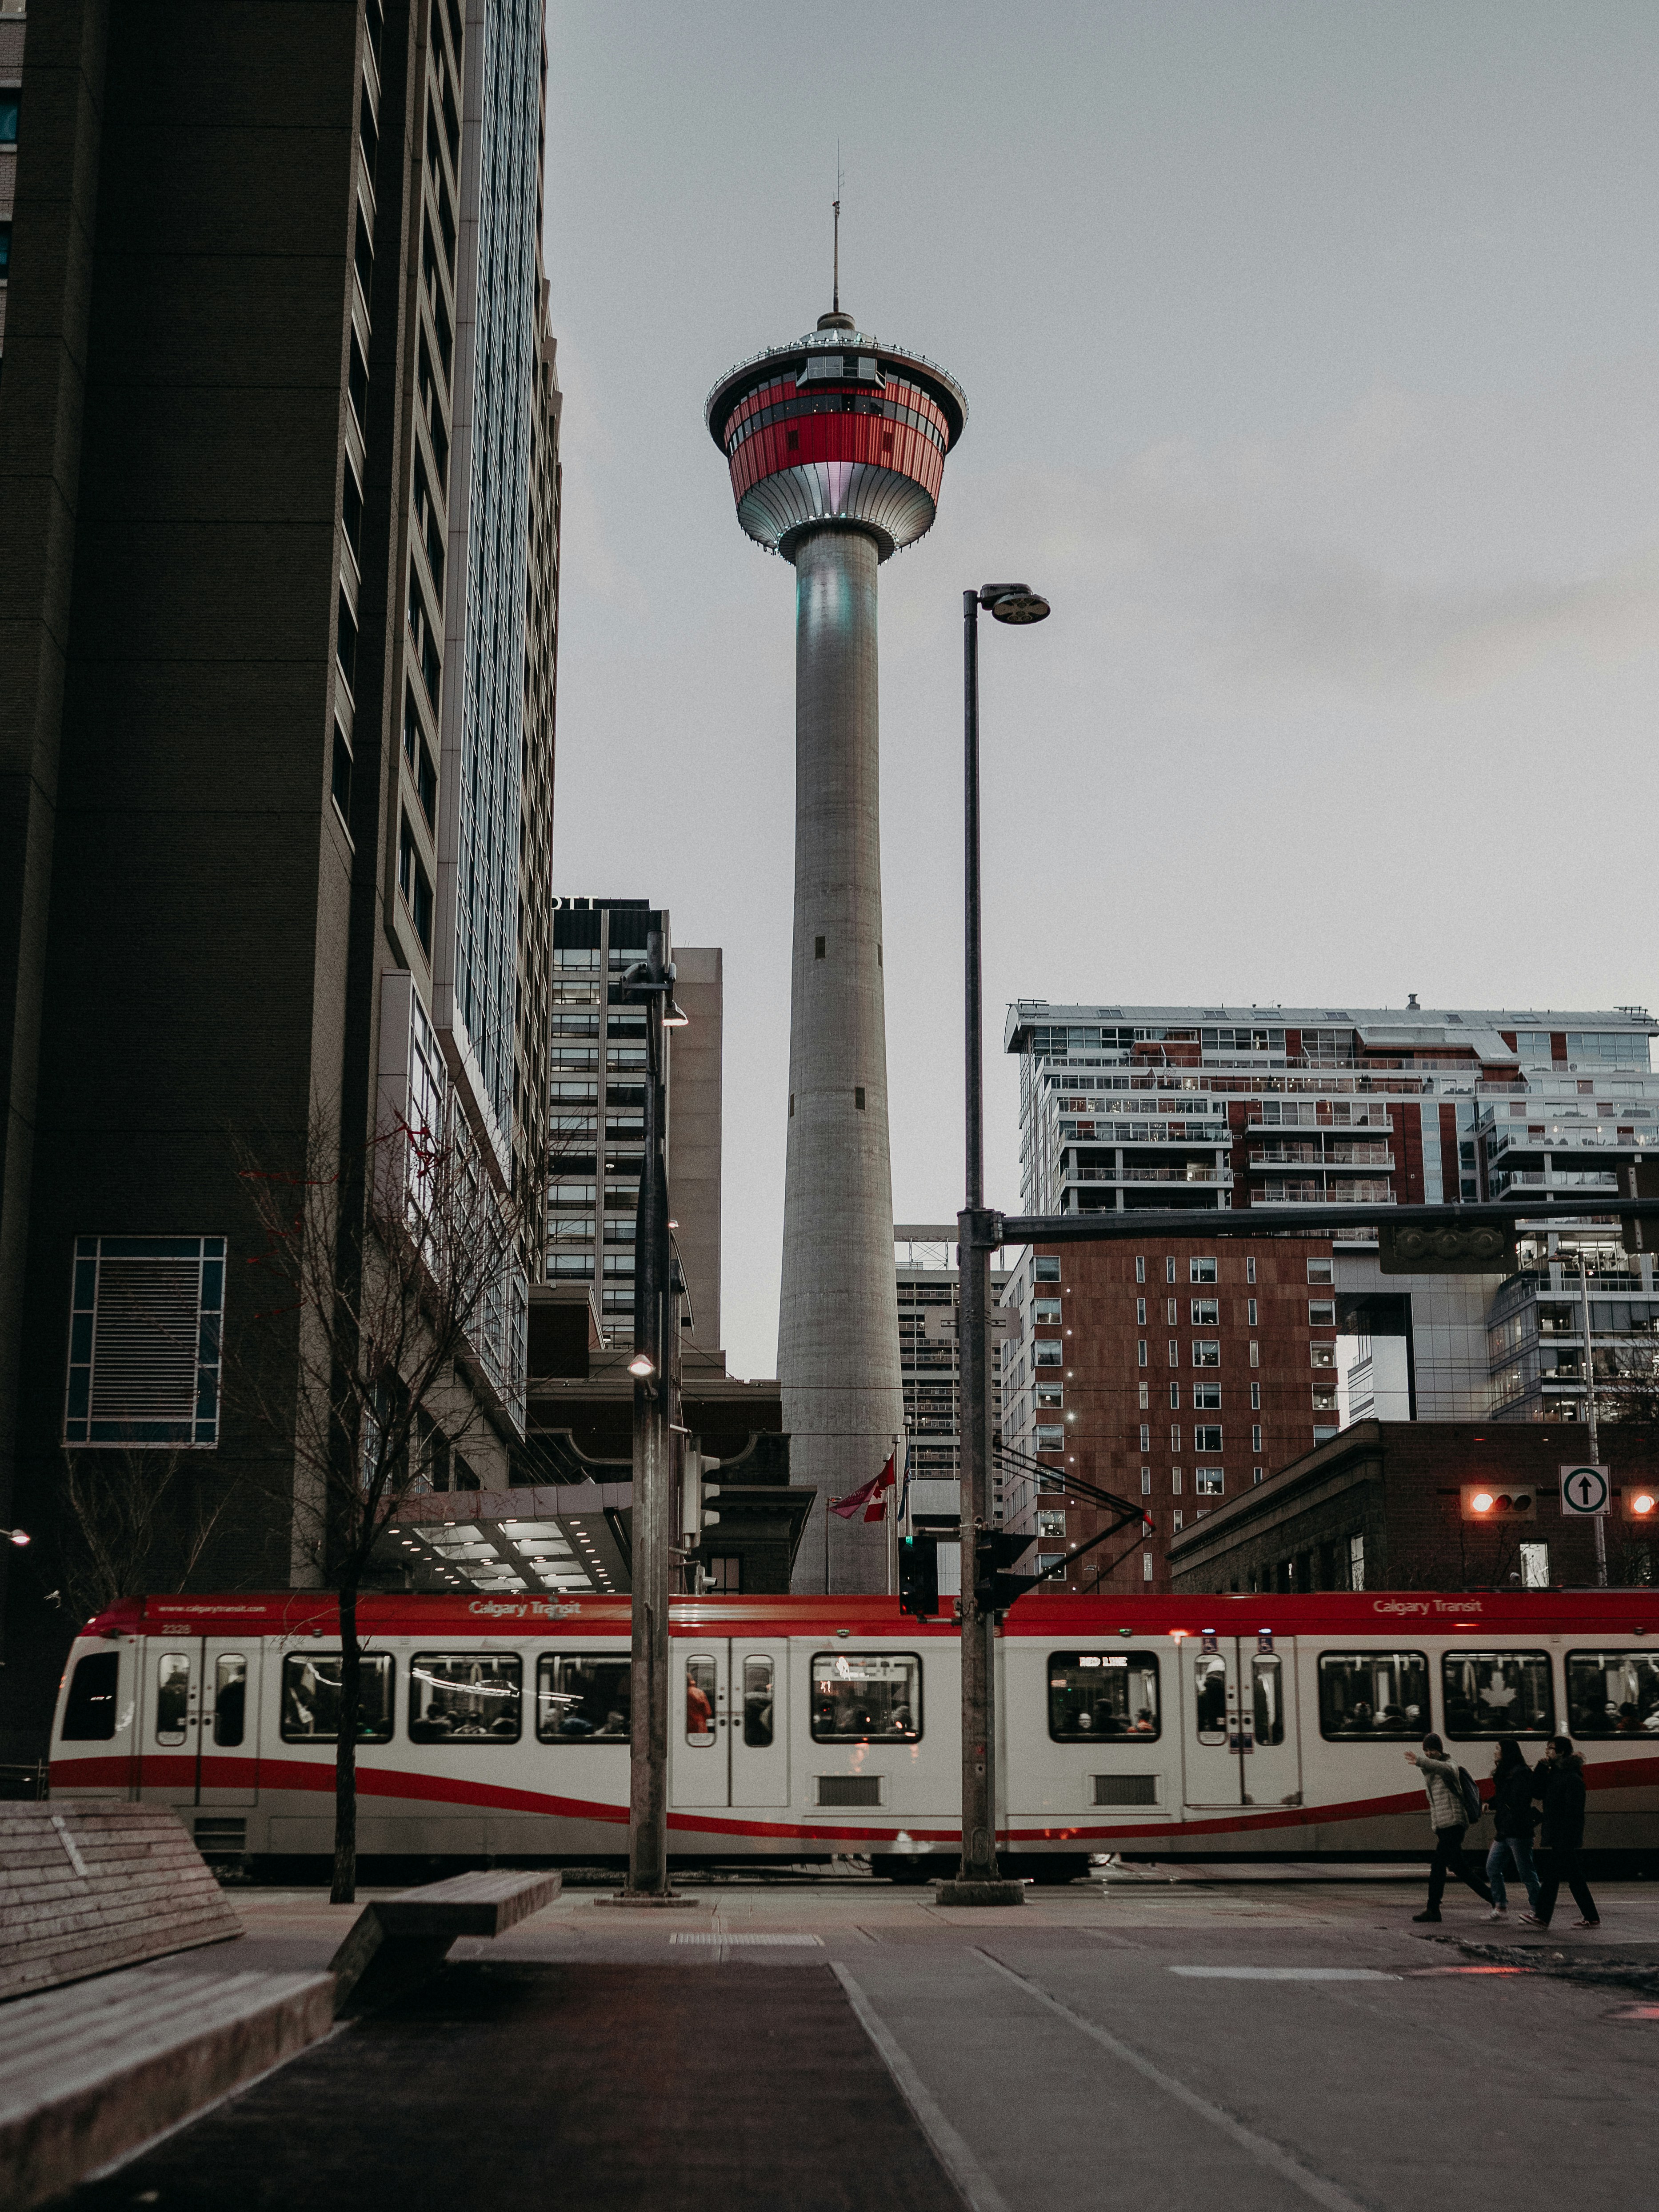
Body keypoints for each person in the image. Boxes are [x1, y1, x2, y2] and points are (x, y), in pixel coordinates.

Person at [1405, 1733, 1492, 1922]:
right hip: (1445, 1826)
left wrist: (1421, 1761)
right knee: (1461, 1869)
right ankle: (1495, 1899)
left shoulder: (1449, 1765)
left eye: (1432, 1750)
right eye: (1426, 1751)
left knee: (1438, 1865)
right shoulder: (1430, 1773)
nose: (1429, 1754)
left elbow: (1449, 1770)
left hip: (1454, 1824)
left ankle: (1433, 1909)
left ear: (1440, 1750)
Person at [1522, 1736, 1599, 1929]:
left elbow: (1573, 1812)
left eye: (1551, 1748)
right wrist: (1541, 1768)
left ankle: (1542, 1917)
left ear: (1562, 1752)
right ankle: (1591, 1917)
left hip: (1564, 1835)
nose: (1547, 1751)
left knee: (1552, 1877)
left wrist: (1565, 1835)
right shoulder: (1554, 1774)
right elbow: (1535, 1792)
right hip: (1559, 1833)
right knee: (1574, 1877)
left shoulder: (1571, 1778)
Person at [1484, 1736, 1542, 1921]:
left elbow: (1516, 1801)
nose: (1495, 1752)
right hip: (1505, 1830)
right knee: (1492, 1867)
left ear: (1506, 1752)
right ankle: (1500, 1906)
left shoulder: (1521, 1773)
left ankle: (1538, 1909)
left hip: (1518, 1831)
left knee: (1526, 1872)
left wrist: (1504, 1811)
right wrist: (1491, 1803)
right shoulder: (1507, 1772)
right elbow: (1504, 1797)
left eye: (1498, 1748)